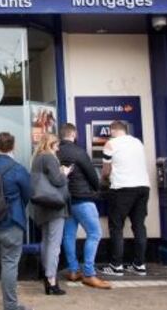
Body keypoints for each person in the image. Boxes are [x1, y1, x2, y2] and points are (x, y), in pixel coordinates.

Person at [0, 132, 33, 310]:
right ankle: (10, 305)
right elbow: (28, 194)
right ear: (13, 147)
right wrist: (16, 206)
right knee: (9, 262)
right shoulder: (18, 169)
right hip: (11, 222)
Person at [57, 124, 111, 289]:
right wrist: (98, 188)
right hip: (82, 199)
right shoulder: (78, 152)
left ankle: (73, 270)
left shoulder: (56, 151)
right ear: (74, 134)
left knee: (69, 235)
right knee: (95, 233)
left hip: (66, 200)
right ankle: (88, 273)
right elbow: (92, 176)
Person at [99, 121, 151, 277]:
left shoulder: (111, 144)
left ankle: (116, 266)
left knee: (116, 226)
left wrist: (103, 180)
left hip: (122, 188)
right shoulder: (137, 142)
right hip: (143, 187)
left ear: (112, 130)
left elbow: (106, 171)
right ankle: (139, 264)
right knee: (139, 225)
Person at [31, 133, 71, 296]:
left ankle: (47, 275)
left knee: (46, 241)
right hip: (54, 206)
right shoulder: (49, 158)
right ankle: (51, 281)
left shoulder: (36, 158)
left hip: (42, 206)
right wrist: (65, 173)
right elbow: (58, 181)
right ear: (51, 144)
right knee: (54, 244)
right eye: (57, 145)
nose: (59, 148)